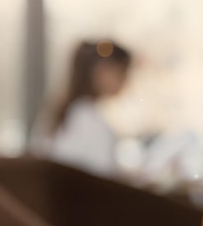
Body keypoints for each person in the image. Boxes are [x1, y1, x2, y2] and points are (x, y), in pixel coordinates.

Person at [30, 39, 132, 178]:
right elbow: (102, 179)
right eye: (123, 72)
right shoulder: (88, 120)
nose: (126, 80)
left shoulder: (61, 111)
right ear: (101, 71)